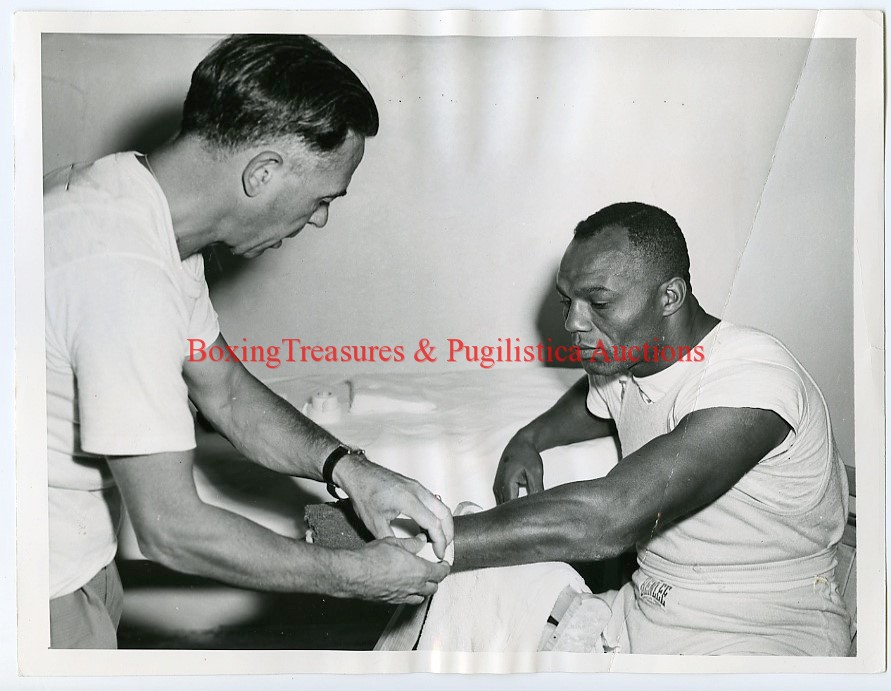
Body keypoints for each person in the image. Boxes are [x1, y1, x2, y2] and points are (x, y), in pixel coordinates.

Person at [44, 34, 453, 649]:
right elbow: (172, 531)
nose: (318, 219)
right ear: (262, 172)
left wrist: (350, 469)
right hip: (35, 587)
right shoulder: (121, 270)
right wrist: (354, 575)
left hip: (75, 560)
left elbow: (227, 393)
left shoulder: (138, 209)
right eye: (321, 199)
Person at [450, 202, 852, 655]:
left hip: (759, 634)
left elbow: (610, 516)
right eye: (568, 302)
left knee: (465, 554)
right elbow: (596, 401)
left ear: (670, 297)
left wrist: (437, 547)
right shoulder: (629, 362)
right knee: (477, 592)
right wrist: (529, 439)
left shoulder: (753, 377)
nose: (573, 324)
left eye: (598, 303)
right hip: (642, 616)